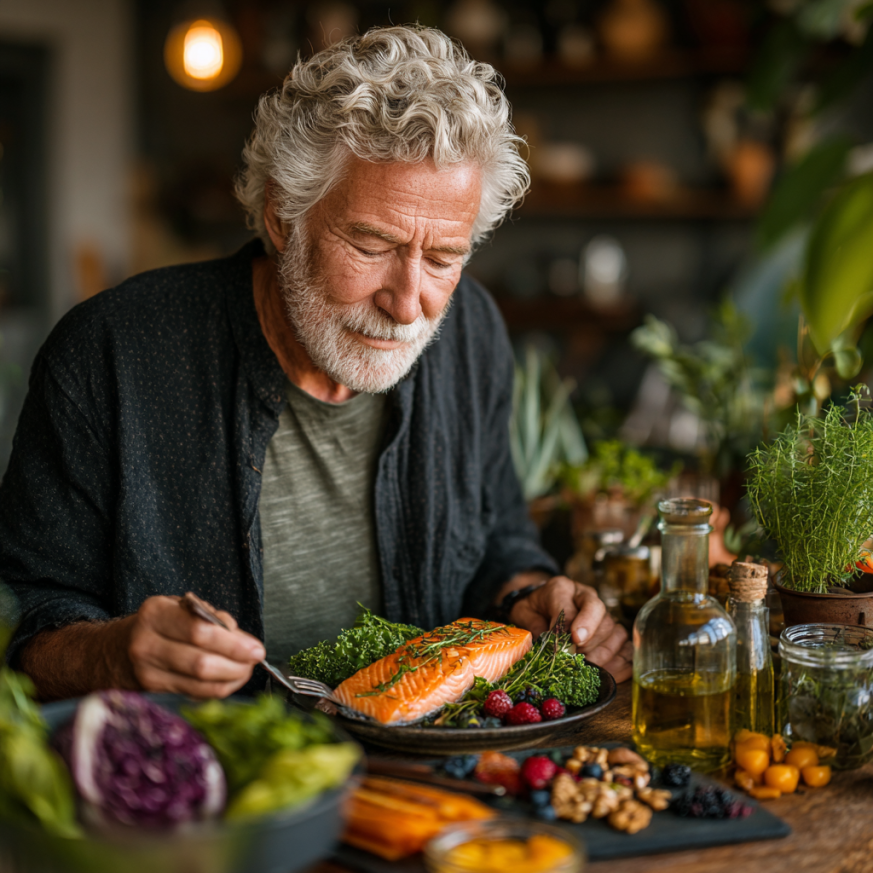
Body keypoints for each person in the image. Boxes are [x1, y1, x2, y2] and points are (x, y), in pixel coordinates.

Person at [0, 25, 631, 702]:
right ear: (281, 217)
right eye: (371, 244)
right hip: (219, 781)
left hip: (436, 785)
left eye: (444, 257)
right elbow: (23, 618)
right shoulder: (111, 353)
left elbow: (500, 540)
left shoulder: (471, 328)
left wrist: (527, 595)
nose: (407, 302)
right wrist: (112, 654)